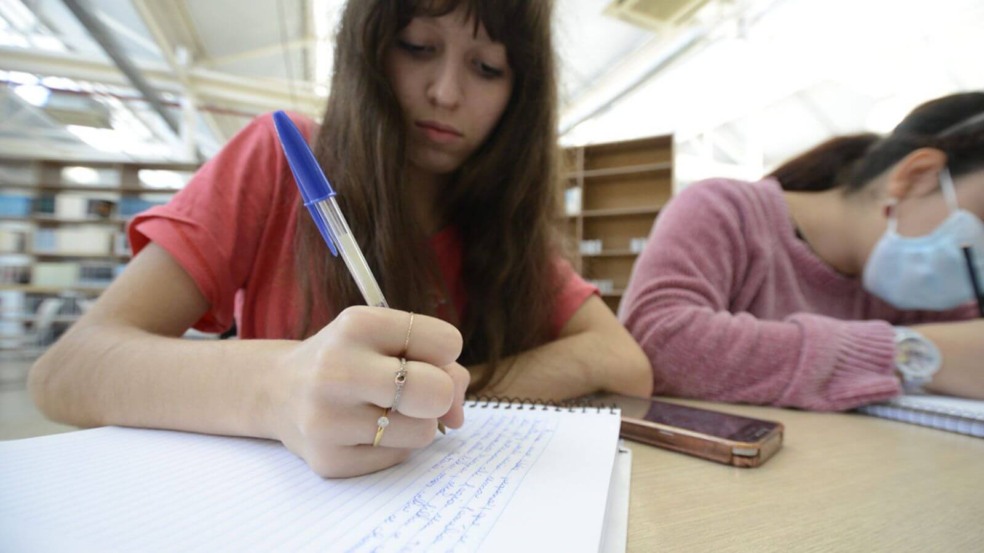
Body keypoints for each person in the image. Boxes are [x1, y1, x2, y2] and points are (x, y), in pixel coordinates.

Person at [28, 0, 653, 478]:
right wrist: (277, 388)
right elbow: (66, 371)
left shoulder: (500, 227)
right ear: (369, 47)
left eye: (487, 67)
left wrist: (444, 388)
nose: (446, 92)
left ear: (522, 95)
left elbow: (622, 361)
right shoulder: (281, 161)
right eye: (416, 46)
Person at [619, 92, 984, 411]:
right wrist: (906, 354)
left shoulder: (924, 295)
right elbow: (658, 345)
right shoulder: (727, 210)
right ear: (917, 176)